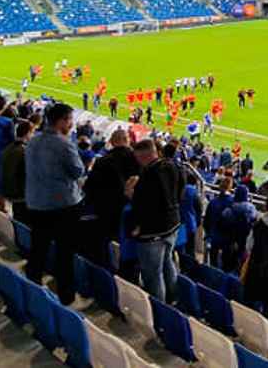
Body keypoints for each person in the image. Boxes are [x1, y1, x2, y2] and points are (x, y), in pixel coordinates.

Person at [24, 103, 85, 305]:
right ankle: (66, 297)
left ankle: (32, 291)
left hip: (36, 203)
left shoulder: (33, 141)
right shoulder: (63, 143)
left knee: (38, 249)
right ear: (60, 121)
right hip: (62, 206)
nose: (71, 124)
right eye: (69, 120)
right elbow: (78, 171)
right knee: (64, 252)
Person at [125, 139, 185, 301]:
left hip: (153, 232)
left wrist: (131, 194)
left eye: (138, 158)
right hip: (173, 225)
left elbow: (143, 205)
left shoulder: (148, 175)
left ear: (143, 157)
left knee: (153, 274)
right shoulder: (174, 166)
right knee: (167, 262)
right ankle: (173, 298)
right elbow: (180, 192)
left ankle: (161, 311)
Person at [84, 128, 140, 263]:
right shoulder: (137, 160)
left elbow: (89, 188)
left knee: (106, 246)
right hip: (129, 212)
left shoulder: (102, 161)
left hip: (105, 211)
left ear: (112, 142)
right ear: (127, 141)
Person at [1, 119, 33, 224]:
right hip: (20, 194)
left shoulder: (8, 148)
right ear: (28, 133)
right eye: (32, 133)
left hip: (10, 190)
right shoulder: (24, 151)